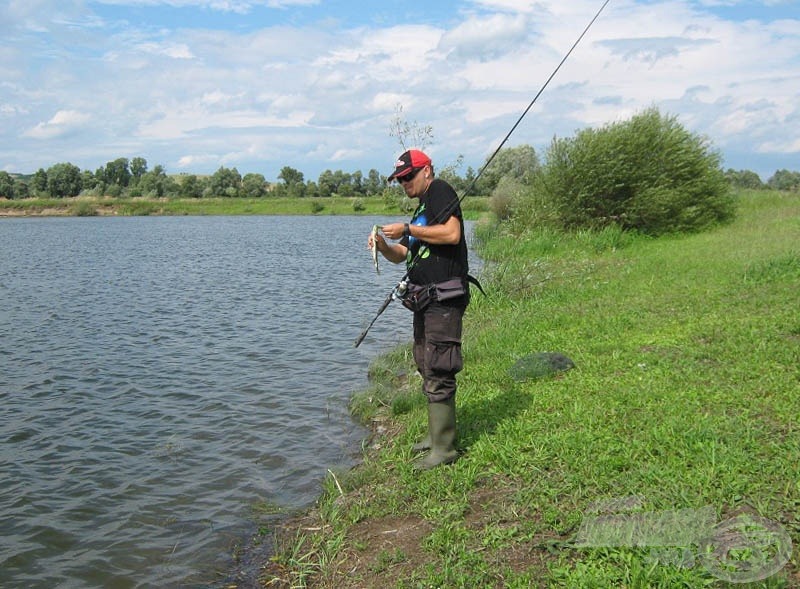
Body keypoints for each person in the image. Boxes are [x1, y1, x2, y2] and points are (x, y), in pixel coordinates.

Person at [368, 149, 470, 470]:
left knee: (440, 365)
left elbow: (452, 234)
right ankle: (435, 436)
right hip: (424, 299)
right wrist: (384, 245)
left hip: (444, 298)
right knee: (425, 362)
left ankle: (445, 449)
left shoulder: (440, 191)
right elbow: (402, 255)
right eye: (400, 179)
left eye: (409, 176)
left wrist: (408, 229)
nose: (404, 183)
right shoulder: (423, 209)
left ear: (427, 170)